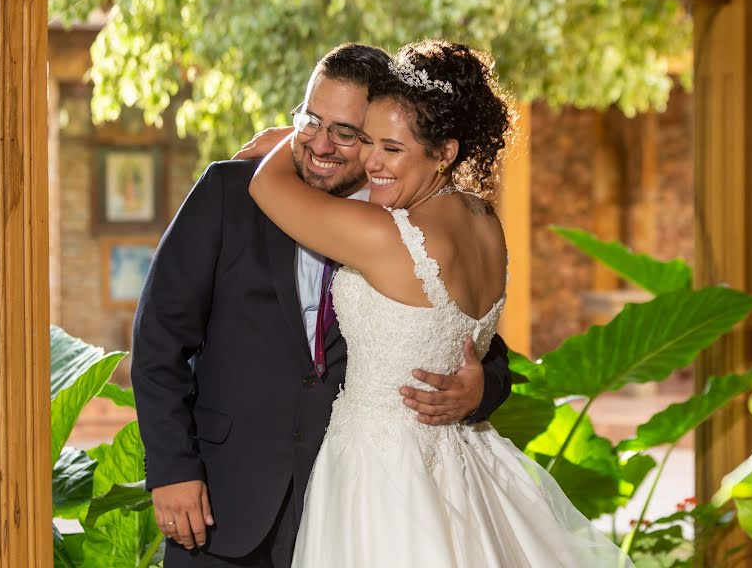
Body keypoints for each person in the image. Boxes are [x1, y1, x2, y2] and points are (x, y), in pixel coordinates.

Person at [249, 39, 634, 567]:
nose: (370, 162)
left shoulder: (388, 237)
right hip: (464, 461)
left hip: (380, 471)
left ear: (445, 152)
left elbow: (267, 187)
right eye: (368, 141)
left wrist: (297, 134)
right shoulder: (483, 220)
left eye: (391, 148)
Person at [130, 43, 513, 567]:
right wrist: (173, 468)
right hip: (222, 495)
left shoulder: (403, 223)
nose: (322, 145)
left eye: (350, 134)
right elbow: (159, 340)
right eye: (312, 120)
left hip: (345, 502)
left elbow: (469, 342)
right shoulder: (227, 191)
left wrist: (478, 390)